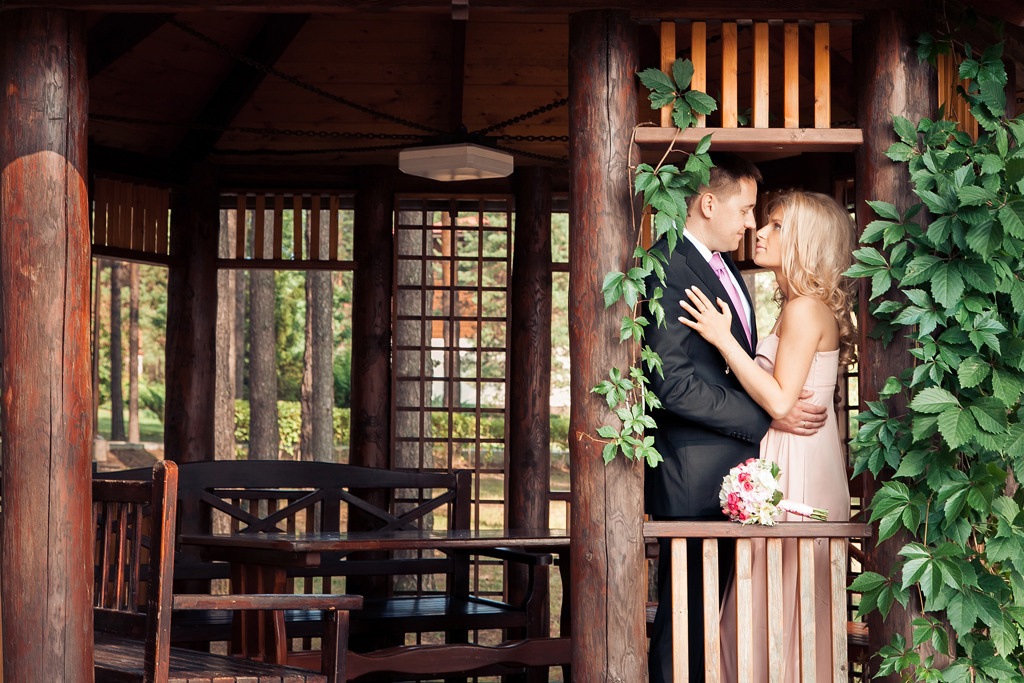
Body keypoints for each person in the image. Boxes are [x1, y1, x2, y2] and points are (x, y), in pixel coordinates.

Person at [644, 155, 828, 683]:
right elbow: (671, 382)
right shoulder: (669, 267)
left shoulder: (723, 270)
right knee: (686, 626)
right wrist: (768, 414)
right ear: (707, 203)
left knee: (720, 627)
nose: (751, 222)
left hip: (736, 476)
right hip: (695, 478)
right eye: (746, 209)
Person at [678, 190, 857, 682]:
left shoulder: (805, 309)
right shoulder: (798, 306)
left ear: (803, 239)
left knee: (778, 613)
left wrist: (722, 338)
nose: (760, 230)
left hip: (800, 471)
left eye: (776, 225)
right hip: (791, 457)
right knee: (768, 611)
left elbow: (779, 402)